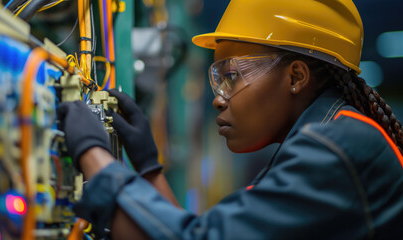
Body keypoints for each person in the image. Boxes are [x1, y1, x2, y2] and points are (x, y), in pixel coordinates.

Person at [58, 0, 403, 239]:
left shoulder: (335, 149)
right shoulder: (333, 136)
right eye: (216, 79)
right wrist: (149, 169)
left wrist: (92, 154)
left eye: (232, 76)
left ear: (296, 77)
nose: (218, 98)